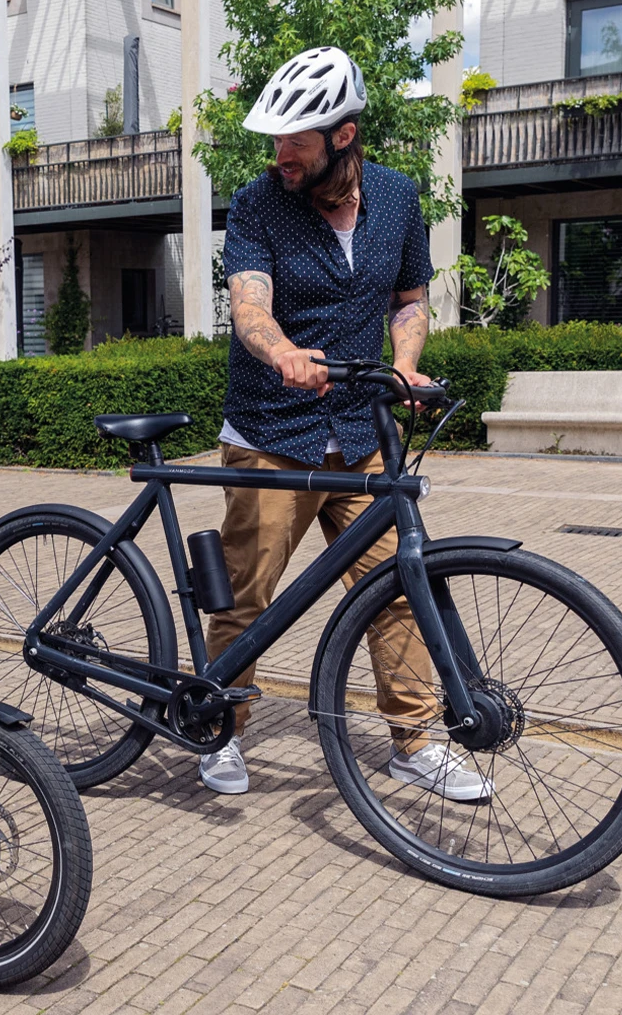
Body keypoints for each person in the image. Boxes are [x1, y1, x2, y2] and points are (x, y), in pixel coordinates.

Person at [202, 46, 489, 802]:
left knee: (395, 591)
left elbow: (409, 298)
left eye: (296, 139)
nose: (280, 154)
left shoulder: (397, 198)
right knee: (244, 596)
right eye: (276, 139)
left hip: (362, 437)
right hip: (272, 434)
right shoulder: (260, 201)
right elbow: (248, 306)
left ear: (345, 135)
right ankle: (222, 727)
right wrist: (285, 352)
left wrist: (407, 364)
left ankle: (416, 742)